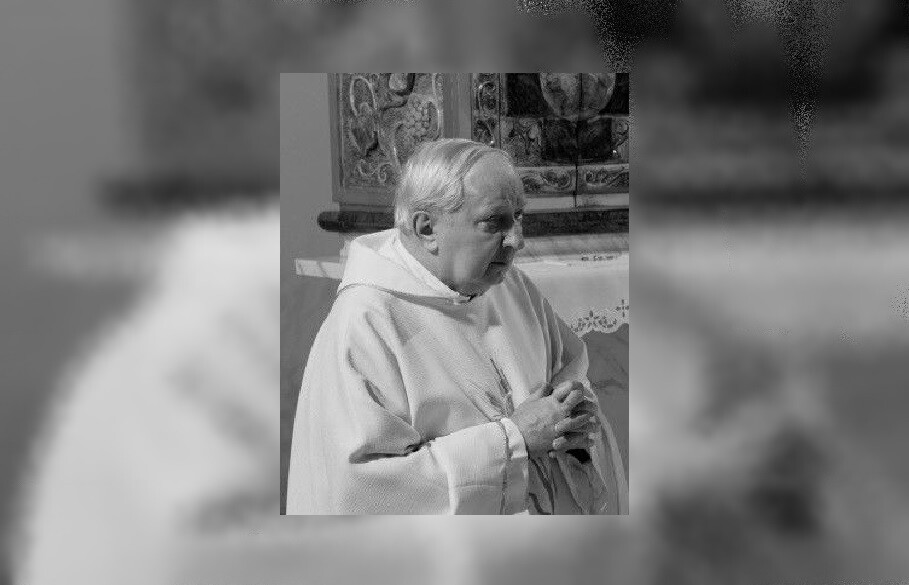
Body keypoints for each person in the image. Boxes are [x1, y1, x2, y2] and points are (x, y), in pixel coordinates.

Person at [286, 138, 624, 514]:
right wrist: (513, 441)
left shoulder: (510, 287)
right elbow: (361, 489)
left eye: (519, 216)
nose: (518, 240)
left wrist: (572, 417)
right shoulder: (367, 322)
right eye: (494, 222)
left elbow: (569, 374)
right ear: (427, 228)